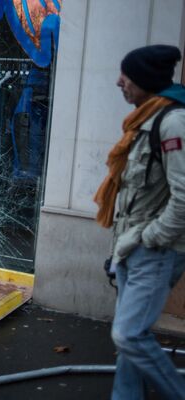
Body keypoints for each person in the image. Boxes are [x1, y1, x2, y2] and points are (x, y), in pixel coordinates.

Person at [94, 44, 185, 399]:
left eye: (127, 75)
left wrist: (149, 238)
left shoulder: (173, 121)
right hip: (132, 245)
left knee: (129, 335)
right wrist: (122, 248)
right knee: (129, 338)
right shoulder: (144, 119)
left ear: (146, 80)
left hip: (156, 248)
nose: (119, 82)